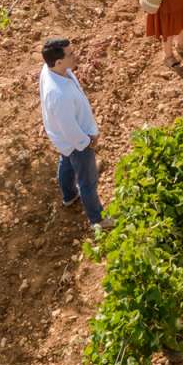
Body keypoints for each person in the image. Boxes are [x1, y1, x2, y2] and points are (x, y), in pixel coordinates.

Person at [38, 37, 114, 230]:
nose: (75, 55)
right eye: (70, 54)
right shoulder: (58, 95)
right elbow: (70, 128)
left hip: (64, 140)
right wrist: (87, 142)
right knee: (88, 182)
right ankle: (98, 219)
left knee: (66, 162)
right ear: (58, 62)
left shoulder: (51, 70)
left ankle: (69, 196)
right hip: (76, 141)